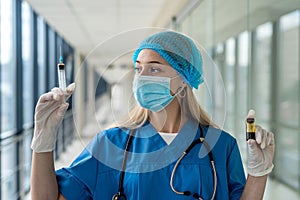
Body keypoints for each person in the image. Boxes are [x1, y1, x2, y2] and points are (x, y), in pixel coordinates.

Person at [30, 31, 275, 200]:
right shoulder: (111, 144)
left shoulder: (221, 145)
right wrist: (43, 141)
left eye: (155, 68)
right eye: (139, 68)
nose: (142, 77)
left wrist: (259, 173)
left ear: (184, 78)